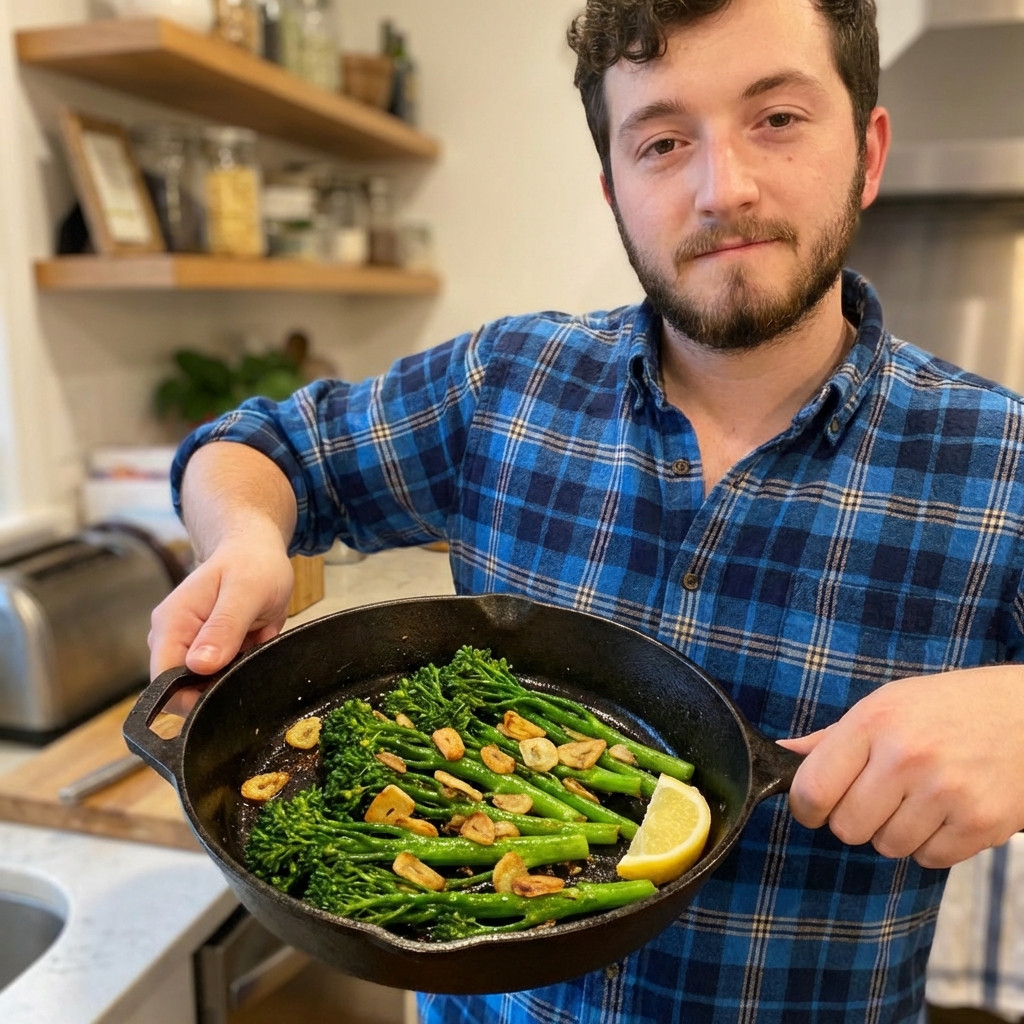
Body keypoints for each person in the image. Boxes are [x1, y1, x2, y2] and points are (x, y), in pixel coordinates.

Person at [149, 1, 1024, 1021]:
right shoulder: (506, 382)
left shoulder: (997, 456)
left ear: (867, 153)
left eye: (776, 119)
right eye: (662, 141)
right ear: (614, 190)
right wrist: (247, 534)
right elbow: (252, 446)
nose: (722, 188)